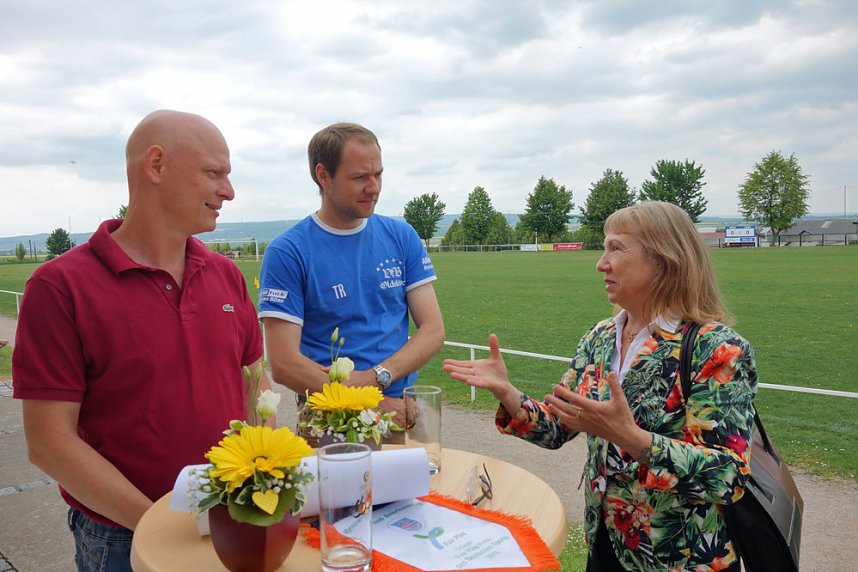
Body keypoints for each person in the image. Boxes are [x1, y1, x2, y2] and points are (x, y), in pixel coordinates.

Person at [12, 110, 269, 572]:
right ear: (155, 166)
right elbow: (49, 441)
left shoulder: (226, 275)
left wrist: (262, 486)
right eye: (214, 173)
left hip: (231, 517)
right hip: (121, 538)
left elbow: (255, 388)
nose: (228, 191)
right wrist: (158, 525)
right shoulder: (61, 287)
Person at [444, 201, 757, 572]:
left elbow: (729, 476)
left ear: (664, 259)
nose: (600, 263)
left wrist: (632, 438)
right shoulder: (600, 337)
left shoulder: (717, 349)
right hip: (606, 547)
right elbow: (557, 428)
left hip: (680, 560)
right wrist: (506, 392)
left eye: (616, 248)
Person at [258, 122, 444, 430]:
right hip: (328, 415)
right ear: (323, 176)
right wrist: (368, 404)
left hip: (402, 406)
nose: (373, 187)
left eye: (378, 174)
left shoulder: (401, 236)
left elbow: (433, 330)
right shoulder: (288, 251)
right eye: (359, 177)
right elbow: (284, 364)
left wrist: (376, 378)